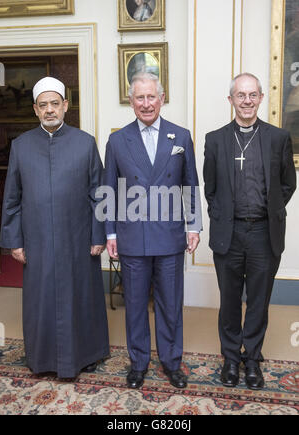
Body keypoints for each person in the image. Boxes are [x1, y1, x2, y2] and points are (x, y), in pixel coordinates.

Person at [0, 77, 109, 378]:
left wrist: (99, 234)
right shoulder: (21, 146)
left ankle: (86, 355)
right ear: (36, 109)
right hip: (38, 241)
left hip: (78, 238)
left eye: (55, 104)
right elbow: (12, 199)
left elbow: (99, 194)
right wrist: (15, 242)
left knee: (81, 298)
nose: (50, 110)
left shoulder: (85, 142)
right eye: (43, 105)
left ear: (65, 106)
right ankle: (42, 358)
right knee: (42, 301)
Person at [104, 72, 202, 389]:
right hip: (132, 238)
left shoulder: (181, 136)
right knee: (134, 305)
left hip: (170, 236)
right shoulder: (117, 141)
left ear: (161, 98)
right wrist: (110, 234)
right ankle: (139, 363)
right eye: (139, 98)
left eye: (151, 97)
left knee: (170, 305)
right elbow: (108, 191)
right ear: (131, 101)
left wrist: (194, 226)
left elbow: (190, 185)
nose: (146, 103)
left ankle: (172, 362)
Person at [203, 73, 296, 390]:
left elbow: (287, 184)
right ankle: (231, 358)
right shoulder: (215, 140)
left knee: (258, 301)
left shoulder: (278, 138)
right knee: (229, 301)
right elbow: (211, 189)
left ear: (260, 99)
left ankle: (252, 358)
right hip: (228, 234)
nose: (246, 100)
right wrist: (225, 216)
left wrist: (268, 210)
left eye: (252, 95)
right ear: (231, 100)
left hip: (263, 234)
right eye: (240, 95)